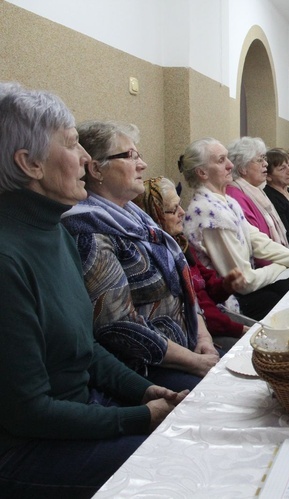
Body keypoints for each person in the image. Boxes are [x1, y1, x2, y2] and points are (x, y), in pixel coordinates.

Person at [0, 83, 187, 497]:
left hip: (82, 415)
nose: (86, 157)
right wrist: (139, 417)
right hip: (28, 449)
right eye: (71, 144)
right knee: (179, 470)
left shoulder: (54, 231)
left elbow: (84, 350)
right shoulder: (8, 258)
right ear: (29, 163)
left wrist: (144, 391)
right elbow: (28, 413)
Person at [62, 120, 219, 392]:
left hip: (190, 346)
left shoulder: (136, 217)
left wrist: (203, 335)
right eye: (129, 156)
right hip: (145, 371)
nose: (142, 165)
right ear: (96, 168)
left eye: (139, 155)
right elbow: (118, 326)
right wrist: (195, 362)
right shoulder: (88, 231)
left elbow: (182, 291)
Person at [180, 138, 289, 320]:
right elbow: (243, 281)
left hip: (249, 288)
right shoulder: (208, 212)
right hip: (232, 301)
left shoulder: (226, 201)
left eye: (227, 158)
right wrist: (282, 266)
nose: (230, 165)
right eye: (221, 160)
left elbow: (257, 240)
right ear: (202, 172)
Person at [134, 177, 248, 349]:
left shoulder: (180, 244)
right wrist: (239, 329)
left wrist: (226, 285)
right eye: (173, 210)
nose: (182, 212)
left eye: (179, 205)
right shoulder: (159, 257)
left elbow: (207, 291)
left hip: (216, 320)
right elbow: (196, 308)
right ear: (154, 215)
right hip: (198, 332)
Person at [226, 136, 289, 269]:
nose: (266, 164)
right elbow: (256, 248)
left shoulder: (256, 192)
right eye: (260, 160)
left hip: (275, 263)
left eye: (265, 159)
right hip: (262, 271)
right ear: (243, 168)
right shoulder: (235, 196)